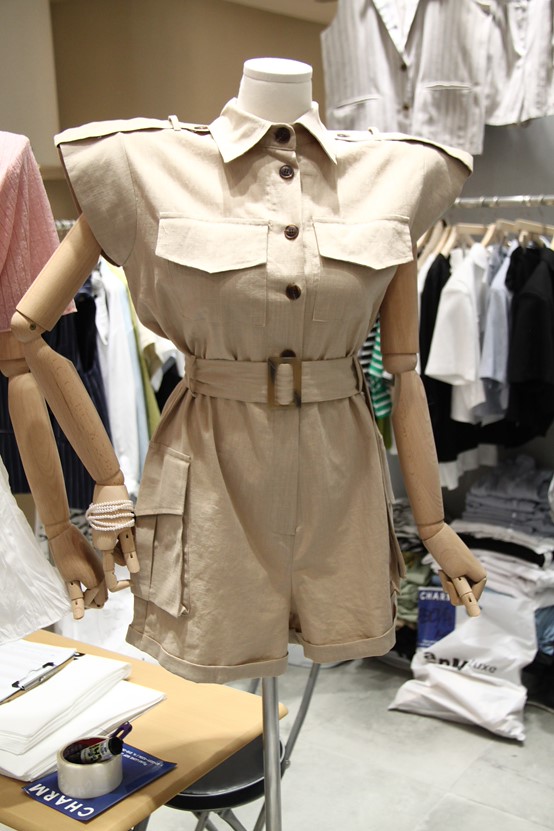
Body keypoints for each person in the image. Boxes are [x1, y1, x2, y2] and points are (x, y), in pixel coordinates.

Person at [11, 58, 486, 683]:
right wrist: (98, 488)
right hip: (211, 479)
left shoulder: (398, 173)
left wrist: (434, 525)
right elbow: (28, 329)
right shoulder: (143, 166)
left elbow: (404, 371)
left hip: (340, 482)